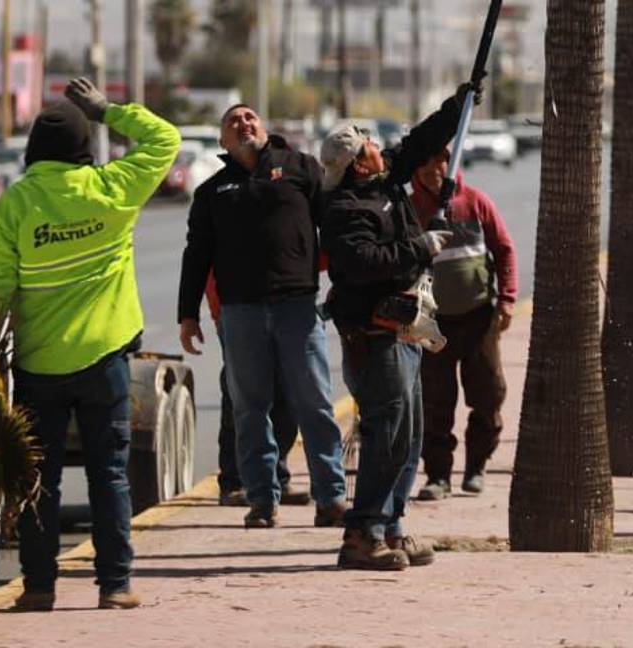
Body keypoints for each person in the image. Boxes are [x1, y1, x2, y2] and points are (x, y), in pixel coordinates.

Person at [0, 78, 181, 611]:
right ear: (83, 148)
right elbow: (166, 140)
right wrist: (107, 110)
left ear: (33, 151)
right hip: (104, 361)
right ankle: (114, 585)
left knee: (36, 478)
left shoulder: (16, 204)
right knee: (108, 474)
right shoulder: (112, 189)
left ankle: (38, 587)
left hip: (38, 367)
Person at [319, 81, 480, 570]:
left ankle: (391, 525)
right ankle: (361, 535)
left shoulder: (384, 180)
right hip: (374, 339)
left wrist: (458, 105)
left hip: (404, 331)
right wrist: (420, 247)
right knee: (386, 436)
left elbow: (418, 141)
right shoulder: (344, 210)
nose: (376, 145)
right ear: (357, 163)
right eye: (367, 143)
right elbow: (365, 262)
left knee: (409, 437)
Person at [177, 105, 347, 529]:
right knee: (250, 410)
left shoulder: (300, 168)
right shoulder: (212, 192)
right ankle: (261, 500)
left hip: (298, 307)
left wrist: (346, 281)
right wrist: (187, 315)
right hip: (241, 313)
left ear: (264, 128)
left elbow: (334, 224)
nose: (243, 124)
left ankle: (331, 497)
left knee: (314, 403)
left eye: (249, 117)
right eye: (233, 121)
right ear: (222, 140)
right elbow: (196, 254)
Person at [409, 150, 517, 500]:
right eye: (424, 162)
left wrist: (507, 300)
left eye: (440, 160)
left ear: (450, 162)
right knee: (435, 402)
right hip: (432, 323)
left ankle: (476, 467)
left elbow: (503, 249)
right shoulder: (410, 210)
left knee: (489, 394)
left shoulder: (475, 202)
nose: (432, 168)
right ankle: (438, 476)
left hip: (479, 318)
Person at [204, 271, 310, 507]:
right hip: (236, 305)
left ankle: (276, 476)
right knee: (241, 396)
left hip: (285, 300)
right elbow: (200, 256)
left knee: (285, 391)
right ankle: (234, 481)